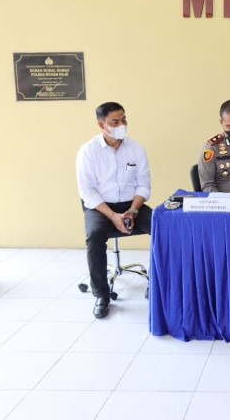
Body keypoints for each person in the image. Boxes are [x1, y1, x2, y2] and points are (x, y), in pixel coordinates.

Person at [75, 102, 152, 319]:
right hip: (100, 207)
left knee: (163, 227)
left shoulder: (136, 148)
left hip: (132, 205)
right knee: (94, 235)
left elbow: (144, 186)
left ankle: (158, 284)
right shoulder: (88, 151)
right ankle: (102, 295)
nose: (122, 125)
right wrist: (113, 216)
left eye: (124, 119)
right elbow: (87, 191)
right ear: (102, 124)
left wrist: (132, 211)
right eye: (115, 122)